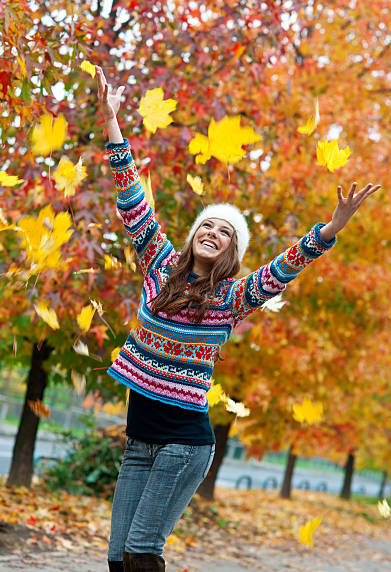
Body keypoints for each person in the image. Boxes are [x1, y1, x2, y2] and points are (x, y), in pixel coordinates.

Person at [95, 66, 381, 572]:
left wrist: (329, 230)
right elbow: (131, 197)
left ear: (231, 248)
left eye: (224, 231)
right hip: (138, 441)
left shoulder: (231, 296)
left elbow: (283, 268)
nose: (212, 232)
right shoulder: (157, 264)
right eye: (206, 224)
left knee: (142, 555)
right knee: (118, 559)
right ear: (192, 235)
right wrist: (113, 124)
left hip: (184, 447)